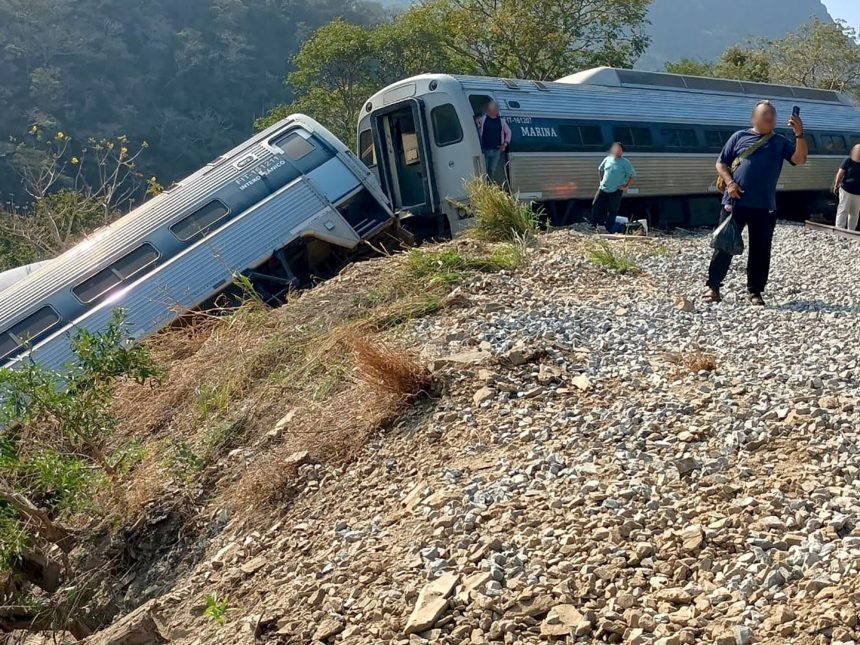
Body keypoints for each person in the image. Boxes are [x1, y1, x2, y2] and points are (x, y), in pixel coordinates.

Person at [704, 100, 807, 306]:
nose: (770, 117)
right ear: (754, 117)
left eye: (772, 114)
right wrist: (730, 182)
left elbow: (800, 159)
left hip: (764, 205)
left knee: (761, 249)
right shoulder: (739, 137)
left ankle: (755, 292)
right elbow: (721, 163)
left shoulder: (780, 141)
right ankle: (713, 287)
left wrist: (799, 134)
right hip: (735, 202)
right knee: (724, 244)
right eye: (765, 113)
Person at [592, 143, 636, 233]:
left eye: (619, 149)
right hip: (603, 188)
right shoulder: (607, 159)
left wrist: (626, 186)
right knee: (596, 205)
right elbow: (600, 169)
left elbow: (632, 176)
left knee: (612, 210)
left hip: (616, 190)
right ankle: (595, 225)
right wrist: (601, 181)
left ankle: (608, 228)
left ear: (622, 152)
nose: (617, 151)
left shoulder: (625, 163)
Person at [475, 101, 511, 184]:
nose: (493, 111)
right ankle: (485, 185)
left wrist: (505, 144)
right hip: (485, 149)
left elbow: (508, 132)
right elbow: (478, 125)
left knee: (492, 170)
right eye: (491, 109)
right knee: (484, 169)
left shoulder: (501, 121)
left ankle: (490, 186)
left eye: (494, 109)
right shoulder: (483, 119)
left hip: (496, 150)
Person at [832, 144, 860, 230]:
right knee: (843, 210)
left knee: (854, 213)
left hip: (858, 193)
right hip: (846, 190)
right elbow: (840, 173)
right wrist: (836, 185)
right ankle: (839, 230)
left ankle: (851, 231)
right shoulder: (848, 160)